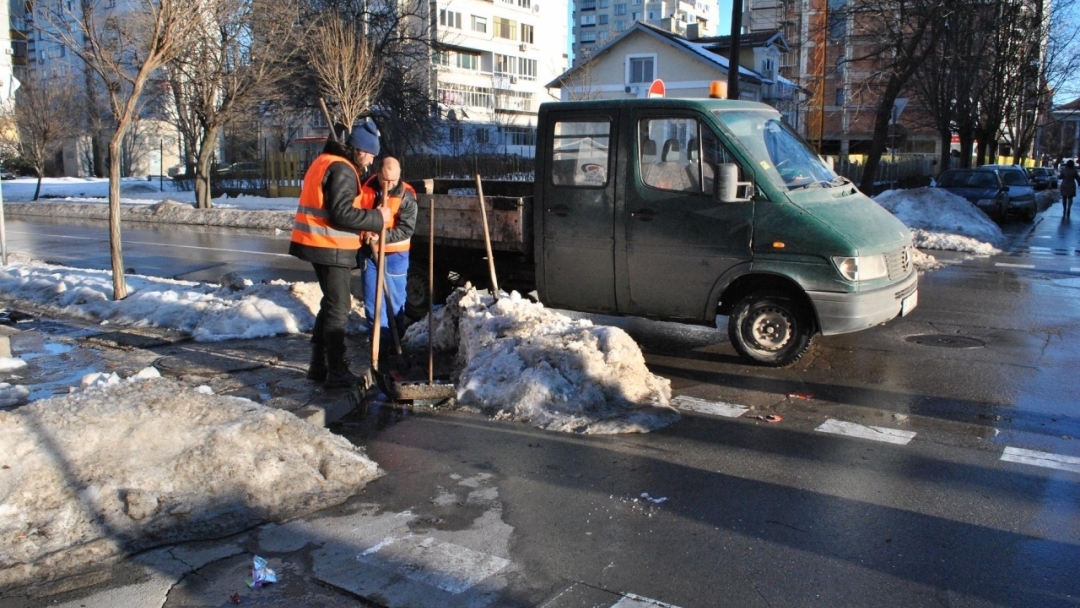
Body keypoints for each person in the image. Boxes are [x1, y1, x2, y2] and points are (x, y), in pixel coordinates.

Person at [289, 120, 392, 388]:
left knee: (331, 303)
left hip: (316, 242)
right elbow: (341, 212)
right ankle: (336, 370)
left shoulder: (325, 160)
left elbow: (336, 210)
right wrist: (376, 218)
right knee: (340, 307)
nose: (371, 160)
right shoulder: (343, 169)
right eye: (370, 154)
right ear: (358, 149)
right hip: (329, 246)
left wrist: (363, 230)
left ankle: (318, 364)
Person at [357, 157, 417, 348]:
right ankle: (379, 346)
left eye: (393, 180)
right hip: (370, 254)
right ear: (378, 173)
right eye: (385, 179)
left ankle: (397, 343)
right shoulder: (365, 187)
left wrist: (382, 236)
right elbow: (355, 215)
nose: (389, 184)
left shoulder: (406, 195)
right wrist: (367, 233)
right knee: (373, 302)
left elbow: (406, 229)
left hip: (395, 256)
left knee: (395, 301)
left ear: (399, 176)